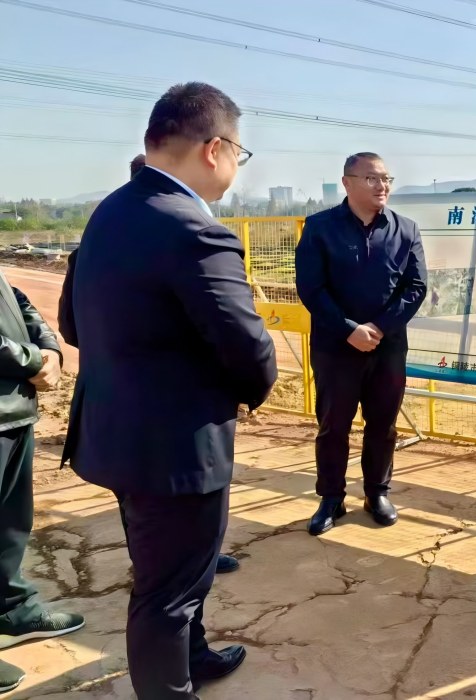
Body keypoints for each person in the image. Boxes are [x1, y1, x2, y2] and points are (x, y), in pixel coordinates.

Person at [59, 82, 277, 699]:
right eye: (240, 153)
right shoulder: (192, 228)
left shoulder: (111, 212)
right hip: (175, 449)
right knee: (167, 593)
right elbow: (248, 348)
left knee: (175, 573)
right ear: (215, 149)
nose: (236, 166)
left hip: (119, 434)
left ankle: (195, 656)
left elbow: (73, 324)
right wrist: (254, 388)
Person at [61, 152, 242, 577]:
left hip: (110, 410)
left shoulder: (92, 245)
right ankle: (173, 568)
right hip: (173, 420)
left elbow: (70, 327)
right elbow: (234, 337)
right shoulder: (190, 238)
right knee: (172, 566)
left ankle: (155, 563)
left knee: (139, 510)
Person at [295, 152, 427, 535]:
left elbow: (416, 287)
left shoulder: (405, 229)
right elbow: (311, 288)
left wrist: (379, 328)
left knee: (383, 424)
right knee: (333, 425)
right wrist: (349, 329)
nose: (381, 186)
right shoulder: (320, 228)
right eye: (372, 179)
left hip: (387, 348)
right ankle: (331, 498)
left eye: (386, 179)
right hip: (336, 348)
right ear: (347, 183)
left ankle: (377, 493)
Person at [0, 278, 83, 695]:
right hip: (11, 388)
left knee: (11, 525)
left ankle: (14, 608)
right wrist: (31, 359)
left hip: (13, 409)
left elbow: (14, 297)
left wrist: (48, 348)